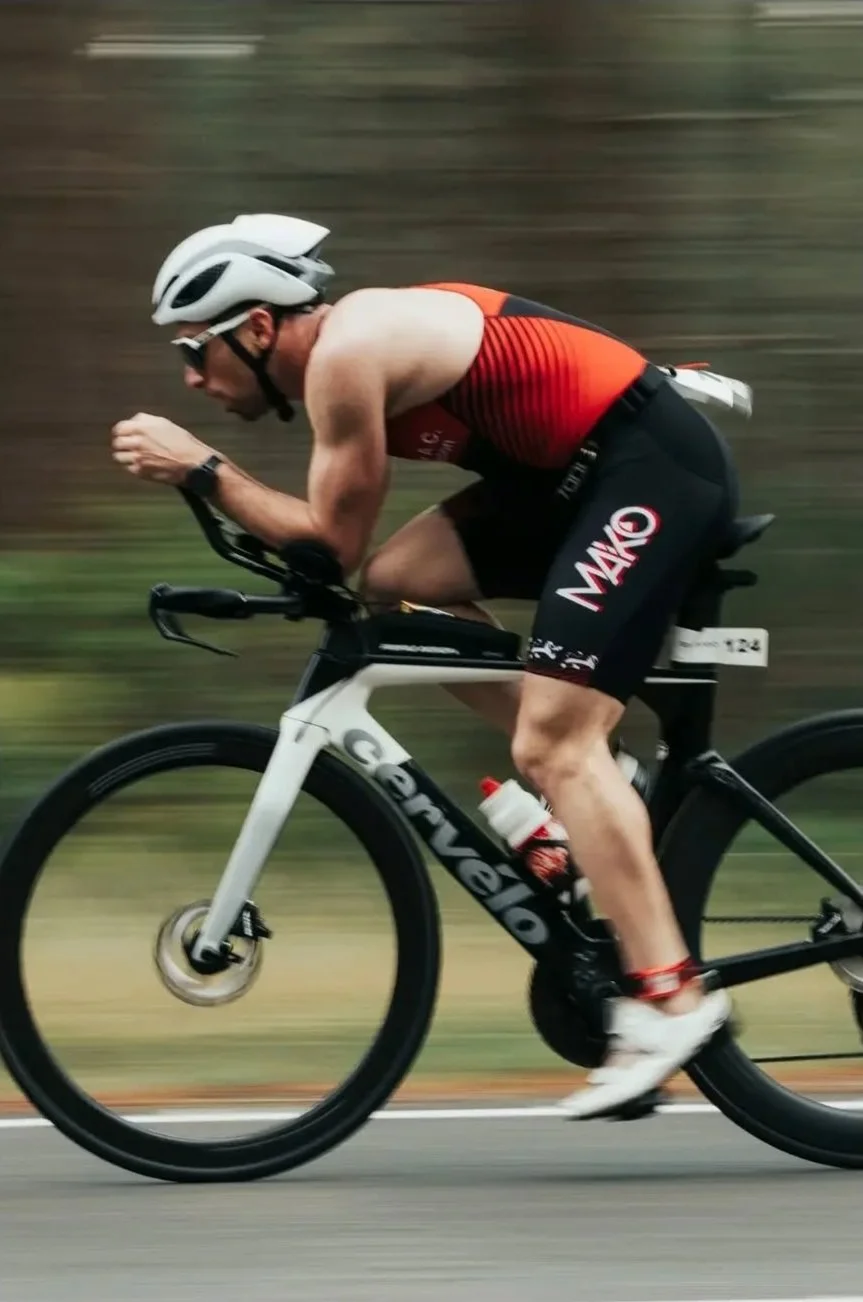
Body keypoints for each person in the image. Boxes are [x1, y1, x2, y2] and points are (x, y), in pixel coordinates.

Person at [112, 212, 743, 1119]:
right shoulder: (349, 352)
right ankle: (597, 786)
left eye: (193, 350)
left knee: (550, 745)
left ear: (255, 329)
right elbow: (352, 564)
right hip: (575, 476)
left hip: (646, 471)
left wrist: (203, 468)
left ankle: (671, 997)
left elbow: (327, 539)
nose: (188, 377)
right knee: (401, 585)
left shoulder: (342, 357)